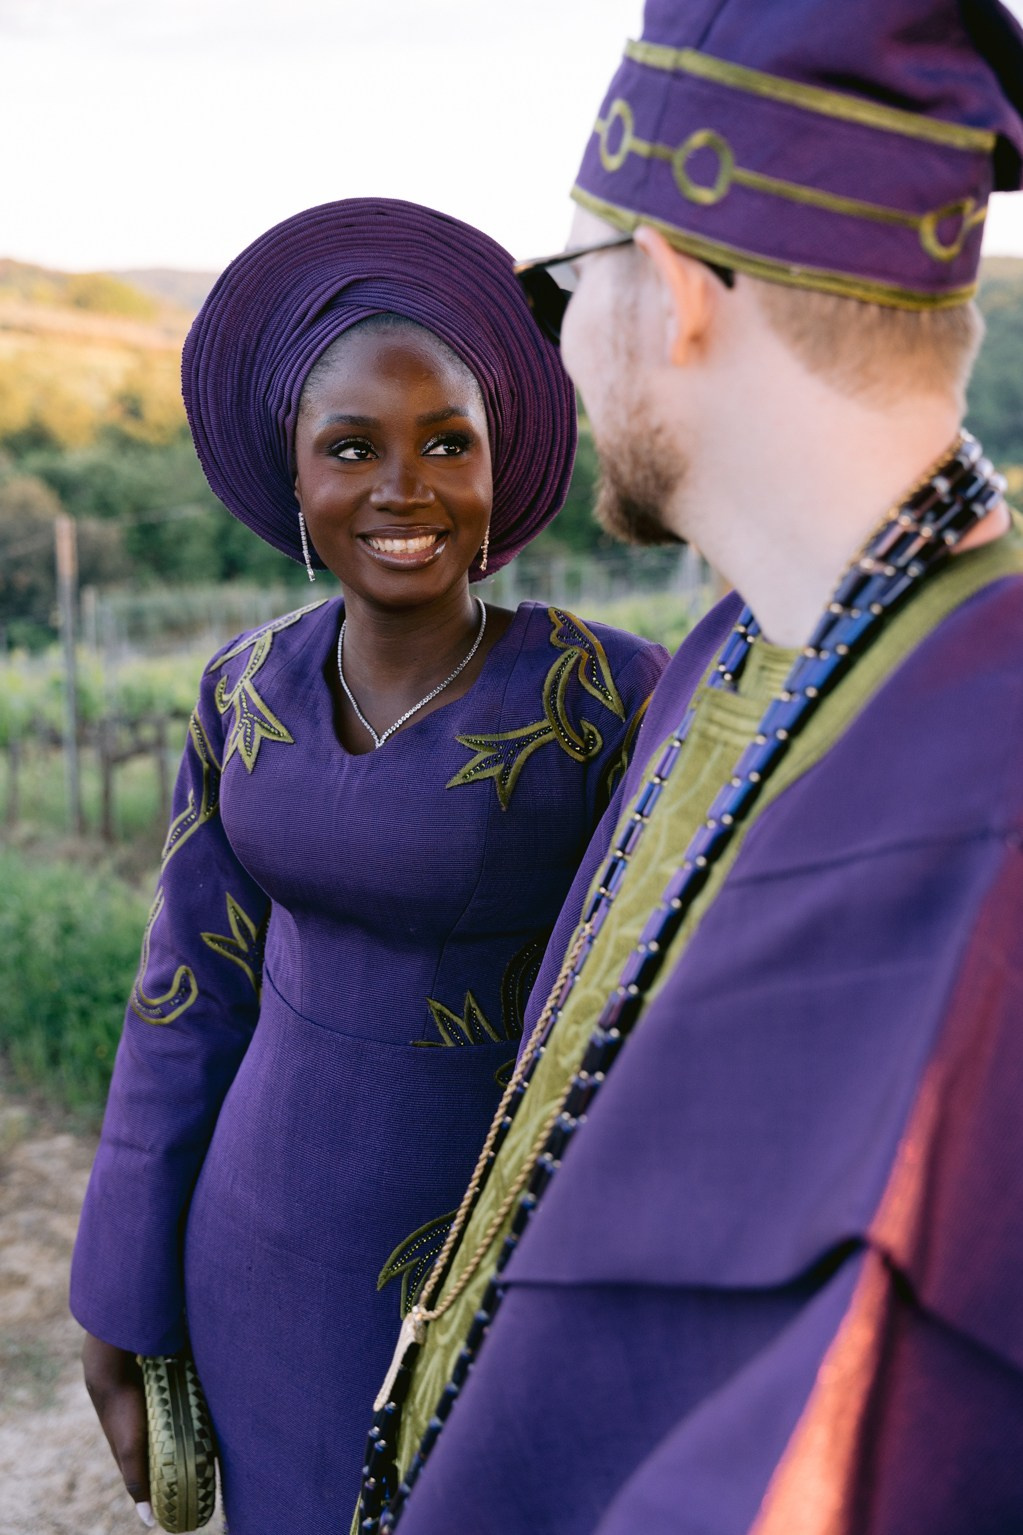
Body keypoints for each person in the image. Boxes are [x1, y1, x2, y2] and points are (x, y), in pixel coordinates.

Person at [353, 5, 1023, 1533]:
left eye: (564, 287)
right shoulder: (736, 651)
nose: (557, 350)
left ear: (670, 293)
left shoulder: (993, 791)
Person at [69, 197, 668, 1534]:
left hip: (496, 1274)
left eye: (448, 442)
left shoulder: (603, 697)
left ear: (499, 468)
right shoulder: (242, 694)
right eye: (353, 448)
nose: (406, 488)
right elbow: (184, 997)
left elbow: (668, 1015)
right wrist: (120, 1294)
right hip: (254, 1259)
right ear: (295, 480)